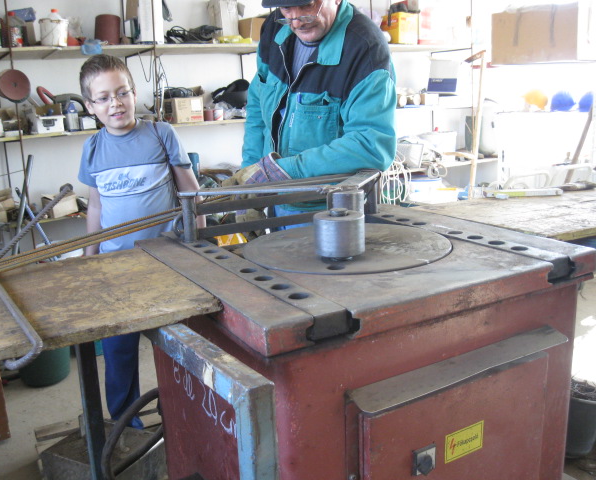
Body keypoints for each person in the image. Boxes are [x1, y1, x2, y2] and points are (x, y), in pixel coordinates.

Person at [77, 54, 203, 428]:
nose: (115, 103)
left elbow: (191, 194)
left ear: (134, 93)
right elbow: (96, 207)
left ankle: (182, 417)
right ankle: (125, 425)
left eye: (122, 93)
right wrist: (88, 258)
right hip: (116, 270)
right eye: (103, 98)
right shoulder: (93, 148)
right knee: (118, 350)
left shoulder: (161, 134)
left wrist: (201, 247)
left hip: (169, 263)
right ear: (90, 106)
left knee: (178, 346)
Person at [240, 0, 397, 221]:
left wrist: (282, 171)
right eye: (286, 9)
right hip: (275, 201)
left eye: (307, 6)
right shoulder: (275, 27)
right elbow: (257, 107)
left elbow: (371, 145)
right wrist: (248, 183)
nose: (296, 22)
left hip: (331, 211)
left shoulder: (366, 48)